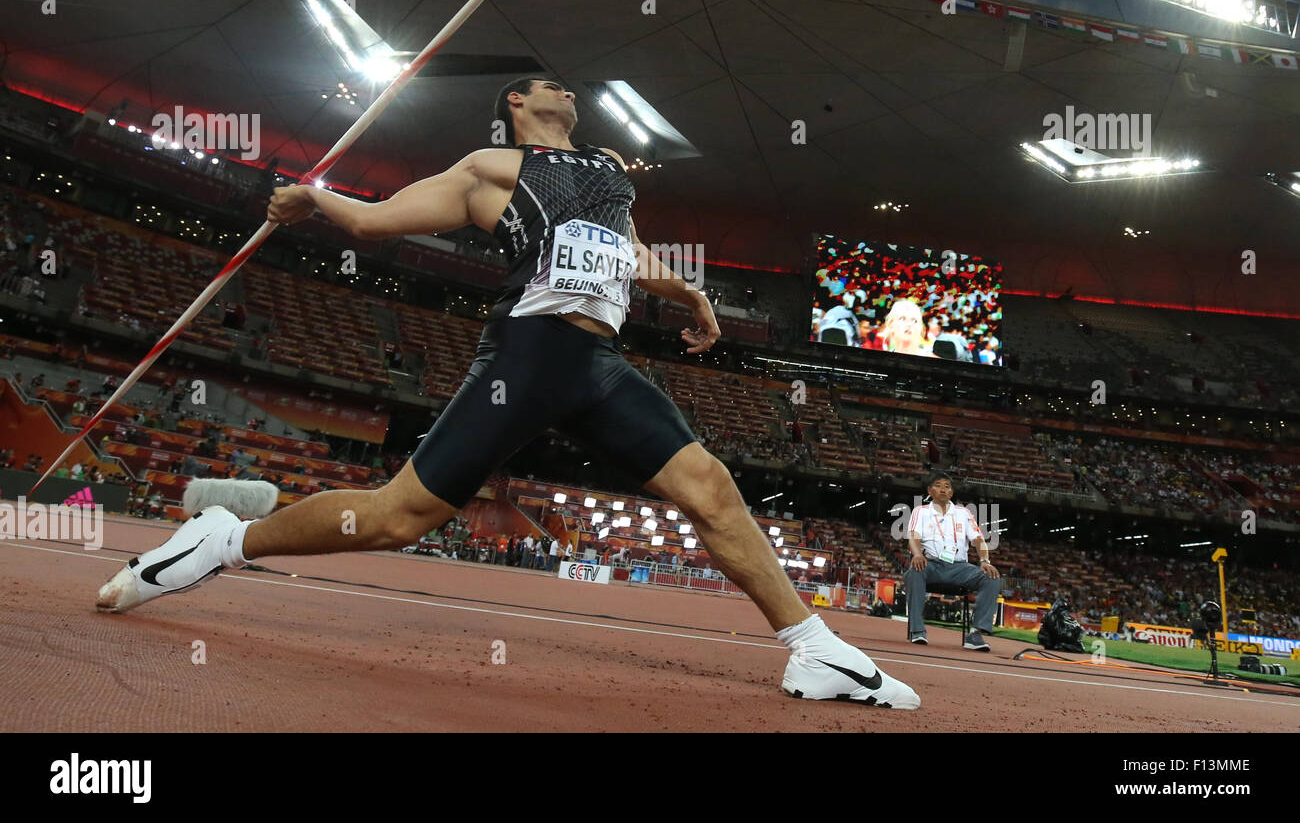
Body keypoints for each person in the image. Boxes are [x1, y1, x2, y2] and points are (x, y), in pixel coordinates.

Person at [96, 77, 918, 709]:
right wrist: (317, 198)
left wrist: (690, 295)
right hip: (526, 357)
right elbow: (380, 221)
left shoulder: (606, 173)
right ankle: (225, 541)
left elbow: (630, 257)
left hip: (600, 367)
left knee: (710, 487)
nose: (570, 90)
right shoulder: (492, 169)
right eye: (551, 83)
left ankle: (814, 647)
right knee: (395, 519)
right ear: (519, 104)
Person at [904, 470, 1000, 650]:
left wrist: (985, 561)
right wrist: (917, 554)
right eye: (938, 486)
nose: (943, 490)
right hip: (932, 565)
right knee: (913, 573)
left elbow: (978, 539)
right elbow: (913, 537)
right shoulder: (921, 511)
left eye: (947, 486)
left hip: (959, 568)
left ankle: (975, 634)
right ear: (930, 491)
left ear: (952, 492)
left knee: (991, 576)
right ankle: (917, 631)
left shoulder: (963, 513)